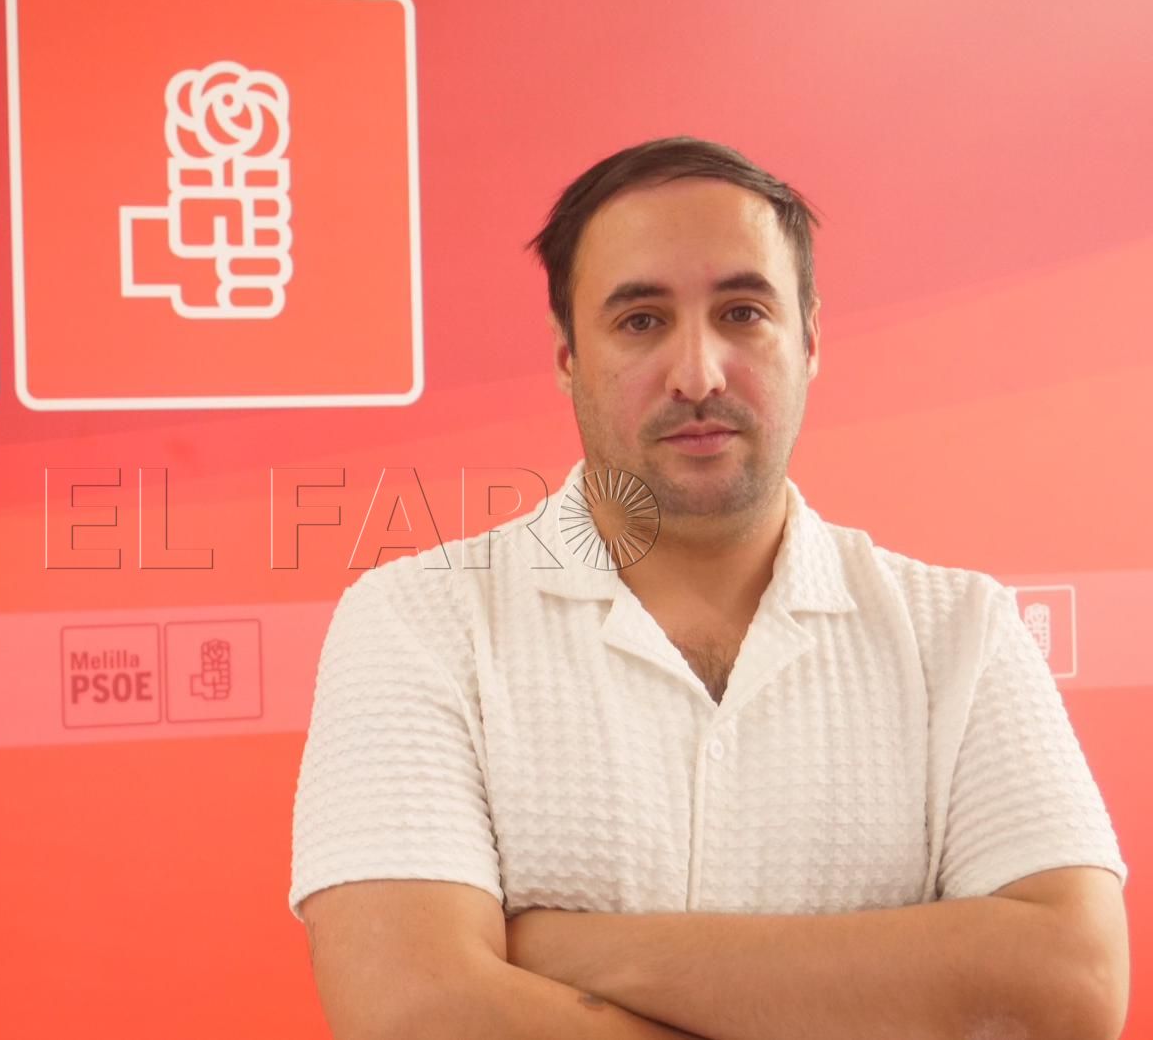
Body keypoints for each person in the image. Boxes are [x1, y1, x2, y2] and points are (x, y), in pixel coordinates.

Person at [287, 136, 1131, 1040]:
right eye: (641, 321)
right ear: (568, 356)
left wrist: (557, 949)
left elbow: (1070, 983)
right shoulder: (420, 622)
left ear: (810, 339)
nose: (698, 374)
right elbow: (415, 1010)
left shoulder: (958, 631)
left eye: (742, 313)